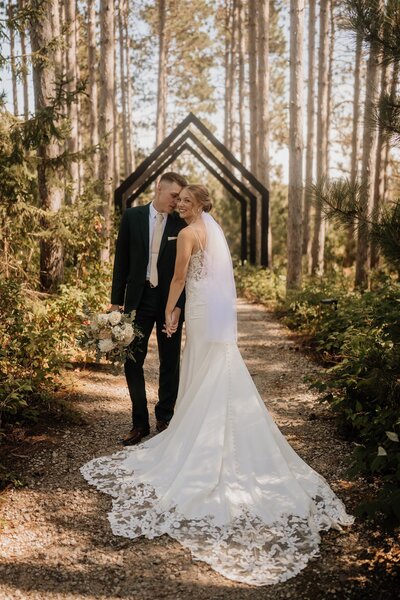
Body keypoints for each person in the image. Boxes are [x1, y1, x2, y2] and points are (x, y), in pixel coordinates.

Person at [82, 185, 354, 586]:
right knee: (209, 368)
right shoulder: (209, 227)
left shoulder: (190, 230)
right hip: (201, 309)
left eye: (187, 201)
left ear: (199, 204)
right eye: (178, 199)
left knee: (193, 368)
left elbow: (178, 277)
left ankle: (186, 427)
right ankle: (176, 423)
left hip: (195, 306)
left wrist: (173, 310)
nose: (180, 205)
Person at [109, 172, 187, 446]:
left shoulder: (181, 224)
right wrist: (115, 302)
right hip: (138, 299)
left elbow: (186, 272)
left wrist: (178, 307)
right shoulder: (133, 217)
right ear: (159, 189)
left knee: (170, 361)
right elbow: (122, 261)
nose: (177, 202)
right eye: (174, 196)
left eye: (180, 198)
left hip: (168, 302)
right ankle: (139, 423)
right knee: (132, 360)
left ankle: (165, 418)